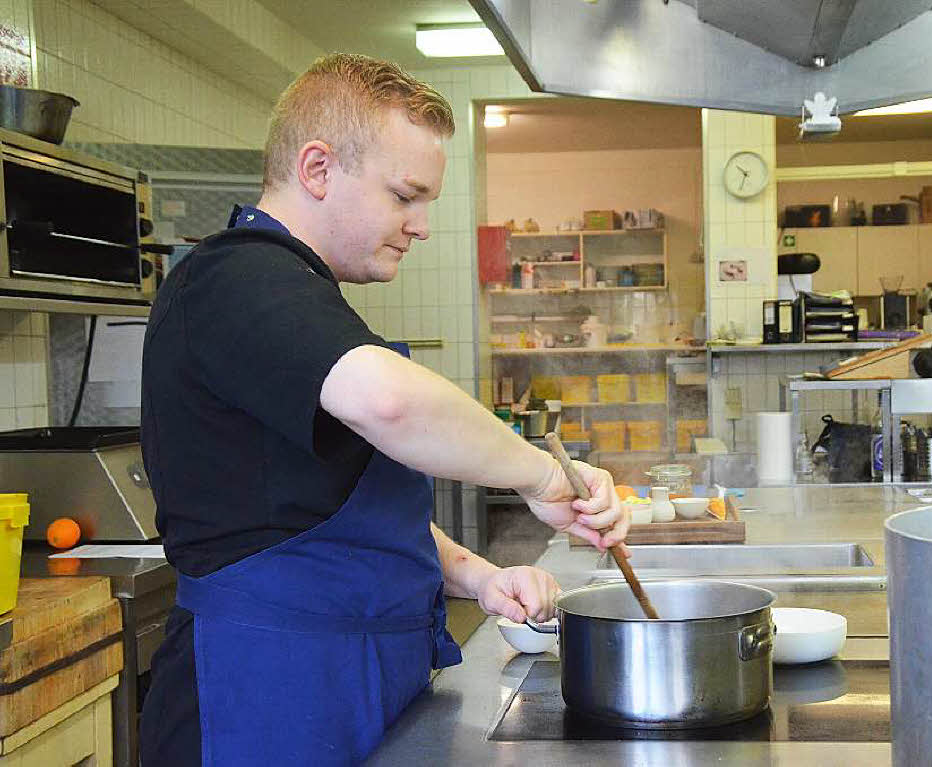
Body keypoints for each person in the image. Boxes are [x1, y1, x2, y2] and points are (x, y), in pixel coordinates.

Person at [139, 53, 628, 767]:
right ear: (317, 169)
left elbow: (336, 517)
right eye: (405, 195)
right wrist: (539, 474)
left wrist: (478, 576)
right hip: (263, 699)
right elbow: (390, 402)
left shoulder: (302, 298)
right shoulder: (233, 277)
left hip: (345, 688)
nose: (421, 225)